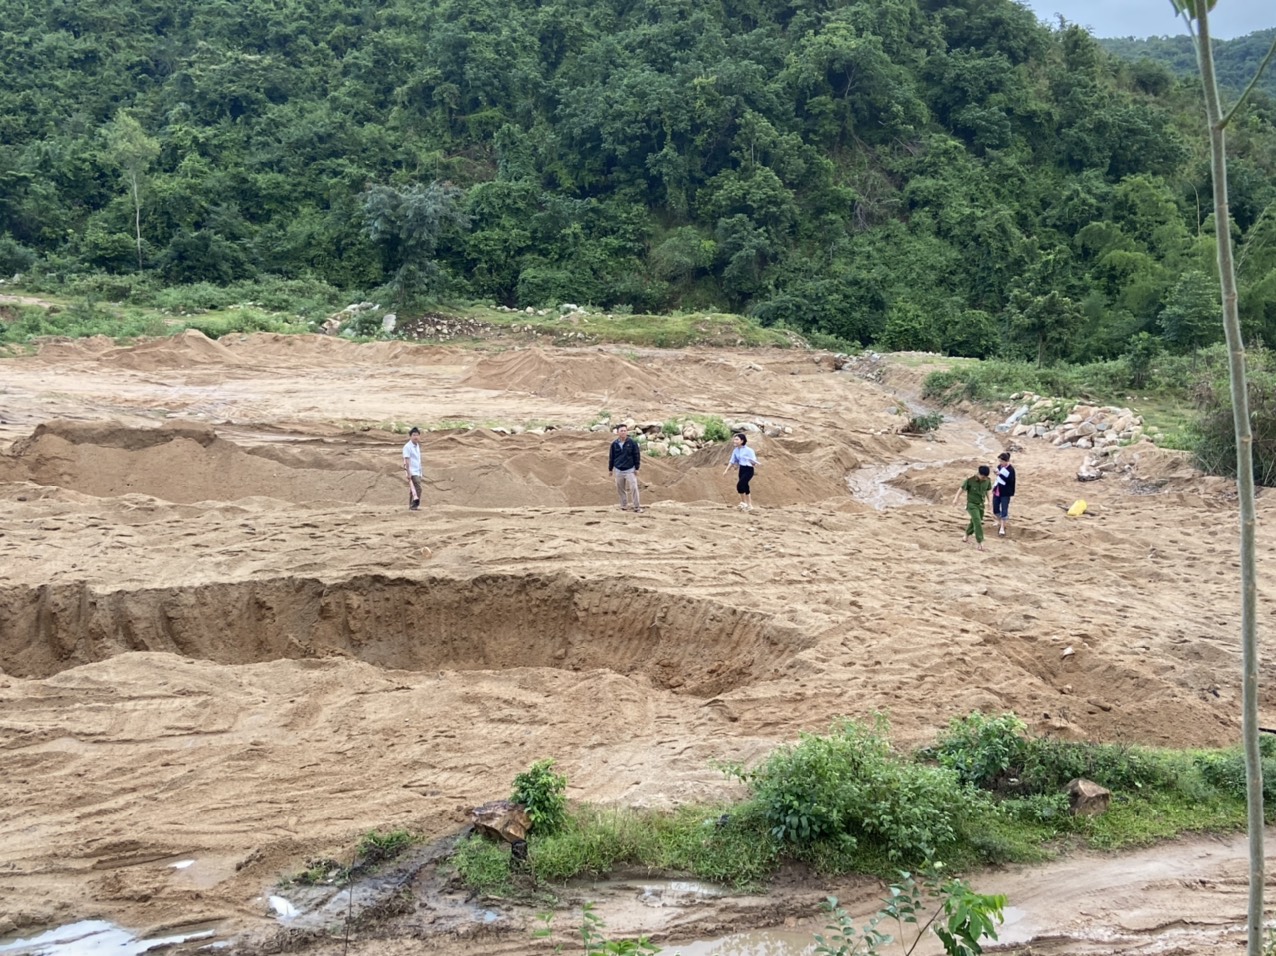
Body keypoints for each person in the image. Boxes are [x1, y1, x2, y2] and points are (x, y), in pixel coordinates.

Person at [952, 464, 992, 551]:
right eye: (983, 476)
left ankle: (966, 535)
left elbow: (988, 491)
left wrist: (989, 501)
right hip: (971, 505)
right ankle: (980, 542)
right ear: (979, 473)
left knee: (974, 521)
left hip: (981, 505)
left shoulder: (987, 480)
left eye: (986, 477)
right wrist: (956, 499)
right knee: (977, 521)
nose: (984, 478)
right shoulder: (970, 480)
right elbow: (961, 489)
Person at [608, 423, 642, 513]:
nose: (623, 432)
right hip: (618, 469)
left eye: (625, 431)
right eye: (621, 431)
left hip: (630, 469)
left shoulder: (632, 443)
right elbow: (611, 457)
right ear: (618, 433)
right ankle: (623, 506)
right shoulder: (614, 444)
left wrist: (637, 468)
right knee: (620, 489)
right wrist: (610, 469)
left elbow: (636, 455)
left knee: (634, 487)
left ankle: (637, 507)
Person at [723, 432, 758, 510]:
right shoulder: (735, 450)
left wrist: (753, 462)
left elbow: (754, 461)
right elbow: (732, 461)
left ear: (742, 441)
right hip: (741, 469)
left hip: (749, 469)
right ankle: (749, 505)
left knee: (740, 485)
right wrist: (726, 470)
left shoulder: (749, 450)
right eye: (734, 439)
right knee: (745, 486)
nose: (734, 441)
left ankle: (744, 503)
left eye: (736, 439)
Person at [992, 451, 1016, 537]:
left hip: (1005, 492)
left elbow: (1010, 481)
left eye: (1002, 461)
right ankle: (999, 520)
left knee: (1004, 509)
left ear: (1006, 461)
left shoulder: (1011, 469)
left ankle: (1002, 527)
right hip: (997, 489)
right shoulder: (999, 466)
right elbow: (999, 477)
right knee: (995, 508)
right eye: (999, 461)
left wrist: (1000, 475)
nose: (1000, 463)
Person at [402, 426, 423, 511]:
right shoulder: (407, 447)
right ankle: (414, 505)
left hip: (418, 471)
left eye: (417, 435)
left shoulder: (417, 445)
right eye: (414, 435)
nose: (416, 437)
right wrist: (408, 472)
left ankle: (412, 505)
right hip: (412, 471)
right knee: (418, 488)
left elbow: (418, 459)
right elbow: (406, 460)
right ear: (410, 436)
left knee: (413, 489)